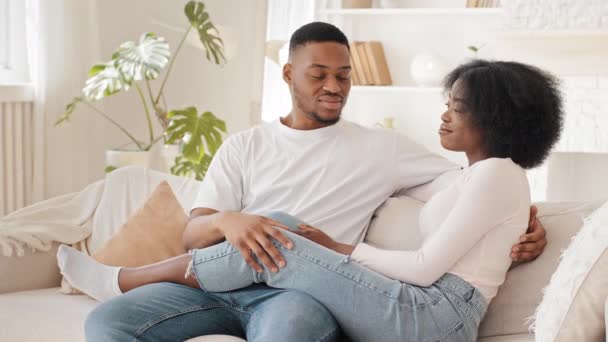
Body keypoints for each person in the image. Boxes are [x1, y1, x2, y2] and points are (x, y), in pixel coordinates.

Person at [57, 22, 554, 342]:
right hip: (219, 284)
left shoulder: (385, 148)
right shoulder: (244, 146)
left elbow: (472, 187)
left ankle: (120, 278)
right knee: (106, 322)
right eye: (318, 74)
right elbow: (192, 235)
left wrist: (527, 225)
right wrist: (232, 221)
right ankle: (120, 288)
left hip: (302, 294)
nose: (334, 86)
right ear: (289, 74)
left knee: (281, 231)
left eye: (343, 75)